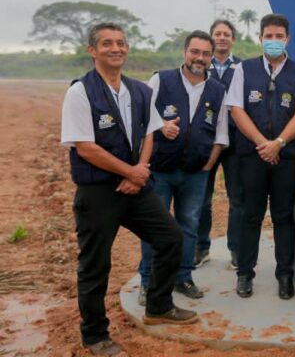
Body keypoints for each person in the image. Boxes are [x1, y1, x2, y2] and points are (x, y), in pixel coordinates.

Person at [61, 23, 196, 356]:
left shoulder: (139, 91)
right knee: (95, 264)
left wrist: (140, 172)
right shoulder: (80, 91)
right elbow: (85, 147)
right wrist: (130, 171)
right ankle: (94, 335)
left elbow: (149, 132)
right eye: (107, 43)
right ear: (92, 50)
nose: (115, 48)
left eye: (121, 43)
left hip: (135, 186)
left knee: (170, 237)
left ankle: (159, 305)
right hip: (98, 192)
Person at [138, 30, 229, 304]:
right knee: (155, 227)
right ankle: (148, 280)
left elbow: (222, 132)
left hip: (195, 173)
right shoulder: (161, 79)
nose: (199, 58)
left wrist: (209, 163)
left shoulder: (217, 89)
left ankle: (182, 277)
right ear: (185, 52)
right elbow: (142, 117)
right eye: (195, 52)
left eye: (205, 54)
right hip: (160, 171)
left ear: (211, 57)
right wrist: (161, 126)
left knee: (189, 225)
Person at [226, 14, 295, 299]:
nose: (274, 41)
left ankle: (285, 275)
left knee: (284, 216)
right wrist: (264, 144)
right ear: (260, 38)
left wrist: (280, 143)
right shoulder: (244, 70)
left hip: (286, 157)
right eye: (269, 36)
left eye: (279, 36)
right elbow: (236, 110)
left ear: (287, 39)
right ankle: (245, 274)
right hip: (252, 155)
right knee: (251, 215)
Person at [196, 19, 243, 269]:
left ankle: (236, 249)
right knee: (202, 198)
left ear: (233, 39)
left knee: (237, 199)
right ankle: (200, 247)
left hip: (235, 143)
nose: (222, 37)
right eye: (218, 34)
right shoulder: (200, 67)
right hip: (206, 142)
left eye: (226, 34)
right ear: (212, 38)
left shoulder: (243, 68)